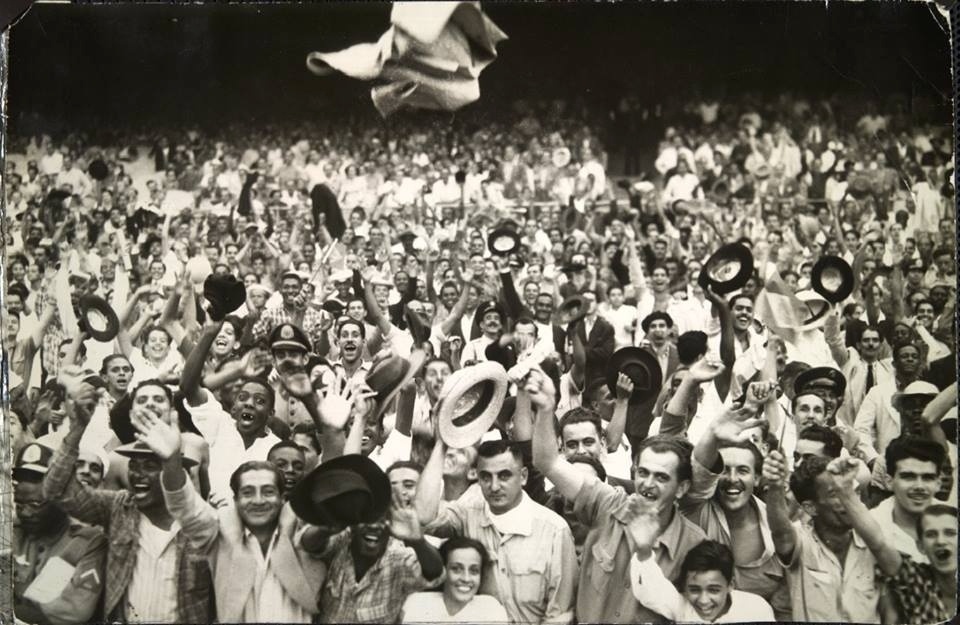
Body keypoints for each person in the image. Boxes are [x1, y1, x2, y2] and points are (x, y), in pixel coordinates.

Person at [42, 373, 216, 623]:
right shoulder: (118, 506)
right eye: (134, 465)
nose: (138, 474)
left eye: (151, 465)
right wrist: (77, 427)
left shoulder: (202, 524)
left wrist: (171, 460)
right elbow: (55, 491)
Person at [418, 435, 577, 624]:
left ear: (523, 476)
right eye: (485, 477)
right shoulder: (466, 515)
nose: (494, 486)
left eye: (504, 476)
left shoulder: (554, 530)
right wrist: (441, 444)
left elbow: (560, 614)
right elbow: (423, 515)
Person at [164, 460, 326, 622]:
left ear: (282, 498)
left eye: (268, 492)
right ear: (235, 500)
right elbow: (187, 508)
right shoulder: (220, 536)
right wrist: (171, 460)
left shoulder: (302, 532)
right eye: (248, 493)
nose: (258, 501)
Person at [762, 452, 903, 622]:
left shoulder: (872, 538)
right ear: (811, 508)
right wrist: (775, 487)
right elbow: (781, 532)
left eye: (851, 490)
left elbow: (892, 582)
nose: (849, 498)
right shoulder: (801, 541)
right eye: (836, 493)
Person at [13, 442, 108, 625]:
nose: (25, 513)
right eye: (19, 504)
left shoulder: (86, 542)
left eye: (35, 505)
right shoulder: (14, 532)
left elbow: (73, 611)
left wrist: (13, 594)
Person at [877, 503, 958, 624]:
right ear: (920, 546)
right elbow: (878, 544)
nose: (940, 541)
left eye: (950, 533)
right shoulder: (919, 583)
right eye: (931, 534)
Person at [869, 436, 945, 562]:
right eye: (908, 477)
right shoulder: (872, 526)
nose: (919, 486)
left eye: (927, 478)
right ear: (889, 481)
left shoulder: (953, 519)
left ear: (938, 483)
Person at [400, 536, 510, 624]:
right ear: (444, 571)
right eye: (456, 569)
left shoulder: (491, 610)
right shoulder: (417, 604)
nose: (466, 578)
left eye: (474, 571)